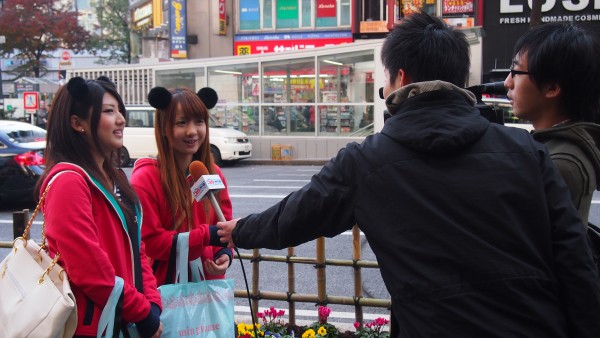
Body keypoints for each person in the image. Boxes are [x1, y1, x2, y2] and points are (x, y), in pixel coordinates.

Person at [217, 12, 600, 337]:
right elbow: (574, 261)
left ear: (400, 77)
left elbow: (295, 216)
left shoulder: (365, 161)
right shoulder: (526, 150)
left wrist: (240, 230)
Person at [36, 76, 163, 338]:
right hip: (92, 325)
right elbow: (88, 268)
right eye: (109, 111)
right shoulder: (69, 182)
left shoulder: (115, 176)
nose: (121, 119)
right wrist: (140, 310)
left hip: (122, 318)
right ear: (77, 123)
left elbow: (137, 248)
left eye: (120, 110)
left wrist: (151, 301)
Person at [130, 87, 232, 287]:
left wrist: (224, 253)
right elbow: (150, 243)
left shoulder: (214, 173)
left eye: (199, 122)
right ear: (164, 128)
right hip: (164, 290)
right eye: (182, 122)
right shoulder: (145, 179)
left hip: (208, 288)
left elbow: (224, 223)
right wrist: (205, 236)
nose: (192, 131)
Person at [504, 22, 600, 228]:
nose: (507, 82)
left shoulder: (560, 163)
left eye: (516, 72)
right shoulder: (557, 147)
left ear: (552, 88)